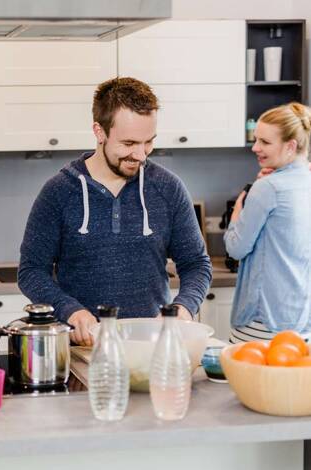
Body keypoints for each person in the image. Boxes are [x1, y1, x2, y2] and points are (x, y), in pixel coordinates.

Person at [18, 77, 212, 346]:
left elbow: (196, 264)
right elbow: (31, 271)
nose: (141, 155)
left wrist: (183, 308)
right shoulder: (59, 192)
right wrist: (70, 311)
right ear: (100, 132)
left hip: (152, 347)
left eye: (149, 142)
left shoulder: (168, 188)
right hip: (84, 348)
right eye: (129, 143)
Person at [225, 102, 311, 343]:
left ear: (290, 146)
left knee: (243, 370)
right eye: (256, 140)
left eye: (264, 142)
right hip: (301, 322)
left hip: (263, 322)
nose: (255, 147)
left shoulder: (267, 187)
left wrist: (237, 213)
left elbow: (236, 248)